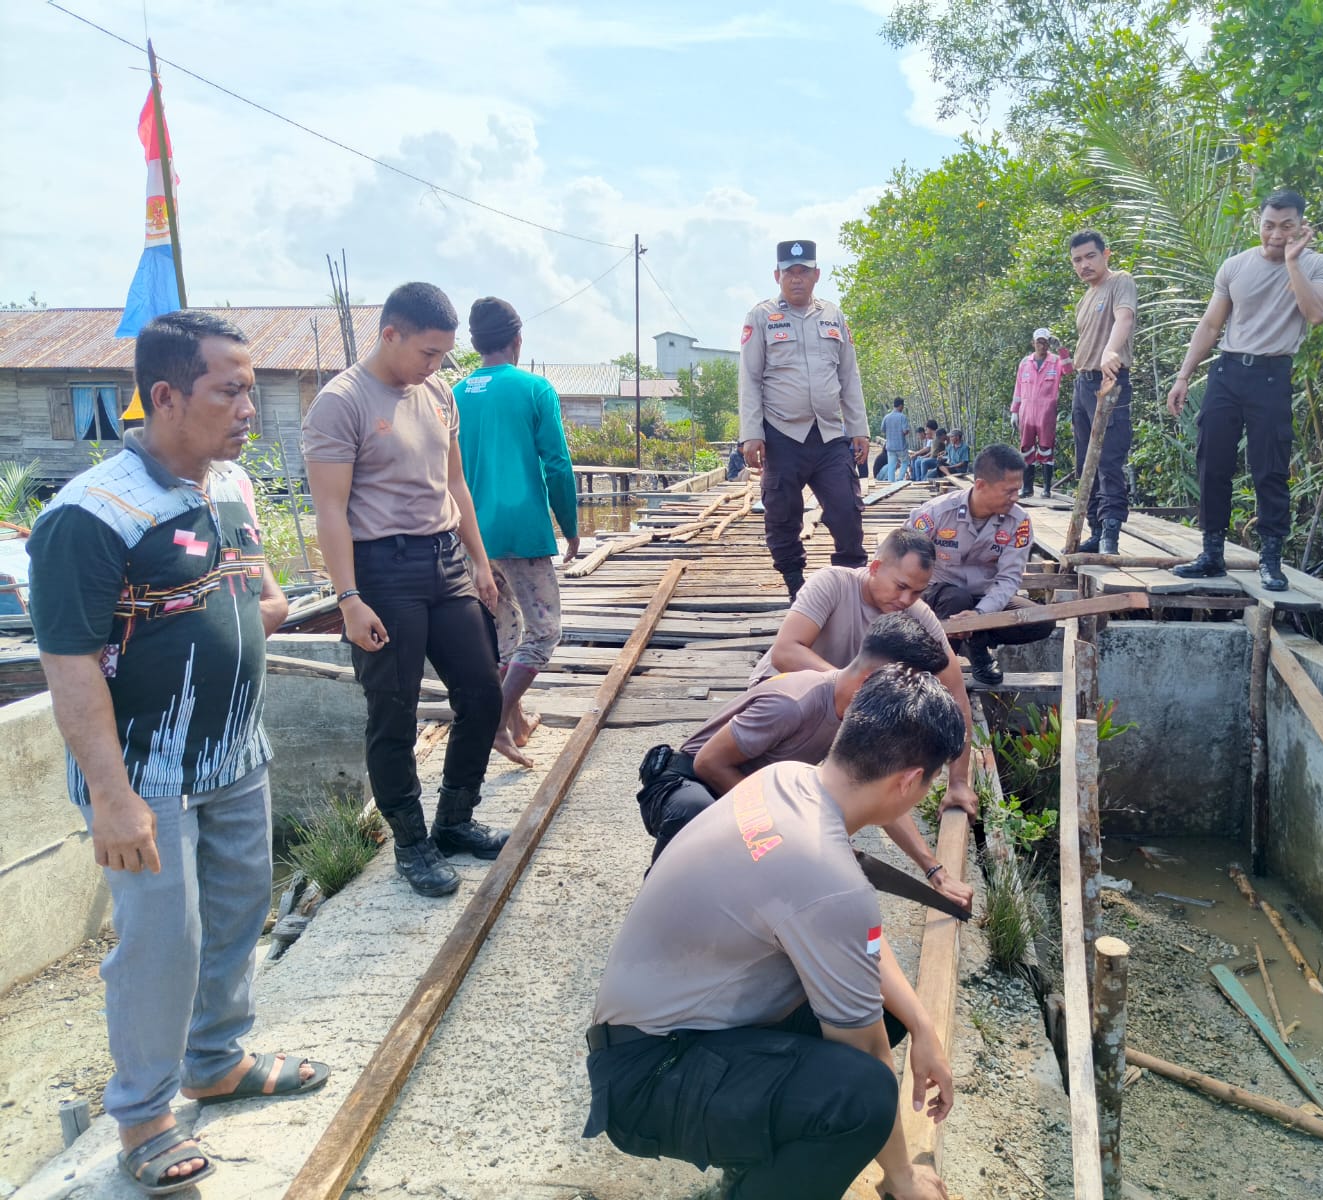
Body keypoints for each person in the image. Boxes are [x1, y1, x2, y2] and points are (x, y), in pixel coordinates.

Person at [28, 311, 329, 1196]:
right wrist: (113, 798)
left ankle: (216, 1059)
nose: (249, 406)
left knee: (237, 915)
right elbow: (71, 667)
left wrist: (220, 611)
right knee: (162, 939)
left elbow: (265, 593)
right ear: (165, 396)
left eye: (250, 387)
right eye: (229, 389)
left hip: (237, 751)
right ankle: (146, 1115)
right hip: (145, 772)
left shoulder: (227, 484)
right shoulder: (90, 516)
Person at [584, 665, 966, 1200]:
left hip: (647, 1040)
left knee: (886, 1014)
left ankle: (754, 1158)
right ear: (908, 781)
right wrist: (903, 1179)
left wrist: (923, 1025)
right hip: (649, 1080)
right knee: (863, 1099)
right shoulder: (827, 877)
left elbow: (859, 941)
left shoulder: (783, 779)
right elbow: (864, 1052)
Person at [303, 282, 508, 899]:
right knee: (391, 712)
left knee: (482, 693)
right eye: (427, 352)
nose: (435, 365)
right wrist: (348, 598)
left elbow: (456, 484)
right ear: (389, 334)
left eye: (444, 354)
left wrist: (479, 560)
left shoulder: (439, 392)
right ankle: (411, 844)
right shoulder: (341, 403)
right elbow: (331, 512)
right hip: (381, 571)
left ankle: (453, 820)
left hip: (445, 561)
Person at [636, 614, 971, 910]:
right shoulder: (793, 703)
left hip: (750, 798)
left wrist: (935, 872)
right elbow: (708, 763)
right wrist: (779, 821)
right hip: (683, 786)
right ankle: (658, 901)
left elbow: (880, 794)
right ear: (872, 681)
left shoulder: (858, 715)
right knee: (694, 810)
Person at [1166, 190, 1323, 590]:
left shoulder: (1317, 265)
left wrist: (1293, 262)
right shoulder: (1235, 266)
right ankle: (1211, 553)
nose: (1276, 234)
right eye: (1269, 225)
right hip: (1227, 372)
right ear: (1258, 224)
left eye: (1287, 226)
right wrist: (1183, 375)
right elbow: (1211, 325)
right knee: (1213, 461)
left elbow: (1317, 314)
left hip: (1272, 376)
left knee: (1270, 468)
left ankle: (1271, 560)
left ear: (1301, 226)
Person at [751, 528, 980, 817]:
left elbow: (957, 694)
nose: (907, 599)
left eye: (918, 592)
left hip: (844, 705)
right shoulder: (832, 583)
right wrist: (851, 686)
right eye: (900, 586)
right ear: (875, 567)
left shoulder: (918, 614)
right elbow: (785, 652)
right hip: (786, 697)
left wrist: (958, 782)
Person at [453, 297, 581, 769]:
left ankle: (518, 725)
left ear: (475, 343)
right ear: (517, 339)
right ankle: (496, 721)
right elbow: (557, 465)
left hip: (473, 536)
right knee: (545, 630)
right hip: (522, 531)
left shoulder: (455, 393)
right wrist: (570, 526)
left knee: (508, 634)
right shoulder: (534, 389)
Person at [739, 240, 869, 600]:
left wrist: (858, 428)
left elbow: (849, 374)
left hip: (829, 435)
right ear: (778, 275)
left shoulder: (833, 316)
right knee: (783, 515)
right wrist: (751, 434)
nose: (797, 279)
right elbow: (749, 378)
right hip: (781, 435)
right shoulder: (761, 317)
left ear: (816, 275)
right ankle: (796, 587)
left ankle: (850, 586)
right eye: (789, 272)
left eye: (804, 272)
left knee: (846, 510)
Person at [906, 444, 1052, 688]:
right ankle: (937, 666)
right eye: (1009, 491)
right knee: (957, 598)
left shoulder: (1019, 522)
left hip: (986, 600)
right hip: (939, 598)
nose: (1016, 497)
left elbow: (1008, 579)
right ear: (981, 485)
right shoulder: (937, 513)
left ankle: (975, 643)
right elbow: (901, 554)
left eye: (1018, 490)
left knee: (1042, 621)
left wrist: (980, 615)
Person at [1068, 231, 1138, 555]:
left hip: (1109, 380)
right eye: (1077, 260)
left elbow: (1123, 318)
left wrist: (1110, 351)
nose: (1084, 264)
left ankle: (1111, 536)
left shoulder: (1120, 281)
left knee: (1109, 460)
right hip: (1083, 384)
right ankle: (1096, 531)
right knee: (1086, 463)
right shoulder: (1085, 298)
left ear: (1105, 254)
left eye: (1090, 256)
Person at [1010, 327, 1070, 497]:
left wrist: (1062, 348)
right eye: (1039, 342)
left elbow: (1069, 370)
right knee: (1026, 448)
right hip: (1026, 411)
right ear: (1033, 343)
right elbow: (1018, 388)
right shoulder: (1025, 363)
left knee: (1046, 448)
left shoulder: (1056, 361)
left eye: (1045, 342)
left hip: (1046, 412)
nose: (1042, 346)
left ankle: (1046, 489)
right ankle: (1027, 487)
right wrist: (1014, 411)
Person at [882, 395, 911, 481]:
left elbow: (883, 430)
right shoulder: (902, 417)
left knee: (891, 465)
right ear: (901, 406)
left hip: (890, 446)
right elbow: (905, 431)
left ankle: (891, 482)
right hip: (900, 445)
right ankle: (900, 479)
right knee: (905, 462)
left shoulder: (886, 417)